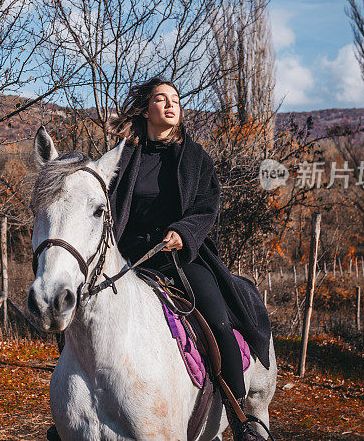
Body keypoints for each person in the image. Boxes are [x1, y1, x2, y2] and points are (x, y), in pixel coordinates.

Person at [107, 77, 271, 441]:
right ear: (145, 109)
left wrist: (183, 232)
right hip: (130, 257)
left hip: (181, 256)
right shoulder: (124, 155)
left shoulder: (196, 158)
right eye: (160, 99)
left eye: (175, 100)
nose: (170, 105)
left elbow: (206, 206)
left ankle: (240, 414)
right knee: (85, 313)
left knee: (218, 322)